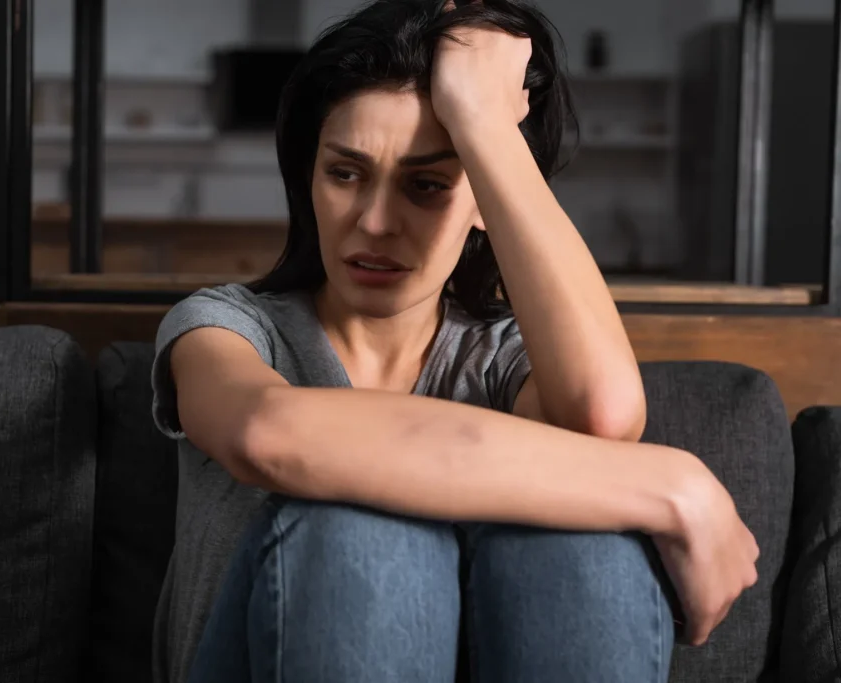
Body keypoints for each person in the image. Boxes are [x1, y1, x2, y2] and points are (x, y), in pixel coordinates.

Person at [149, 1, 760, 681]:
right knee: (365, 530)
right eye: (344, 173)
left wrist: (486, 126)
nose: (375, 222)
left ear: (482, 202)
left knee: (582, 541)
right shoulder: (228, 327)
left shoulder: (500, 360)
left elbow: (603, 416)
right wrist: (674, 484)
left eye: (428, 185)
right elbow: (268, 431)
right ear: (308, 178)